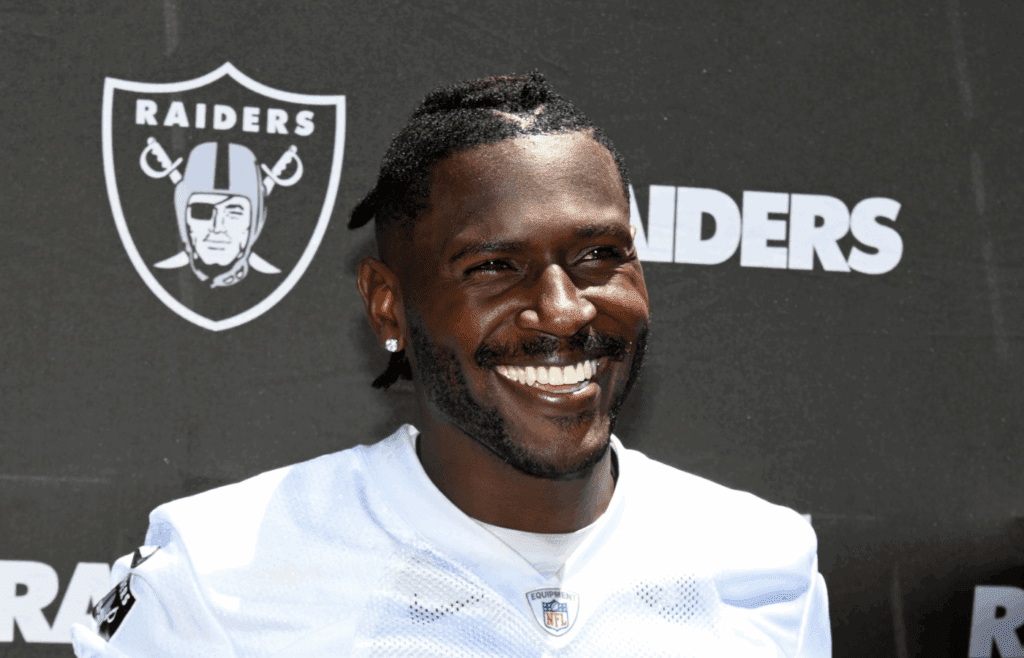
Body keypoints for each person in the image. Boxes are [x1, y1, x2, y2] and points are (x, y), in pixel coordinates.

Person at [72, 73, 831, 657]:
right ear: (387, 306)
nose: (565, 311)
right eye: (495, 265)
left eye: (600, 255)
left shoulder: (766, 560)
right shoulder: (216, 571)